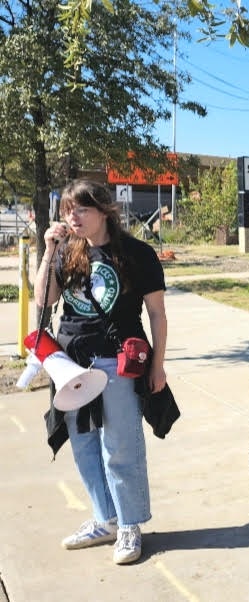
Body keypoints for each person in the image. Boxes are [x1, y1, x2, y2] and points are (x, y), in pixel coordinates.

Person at [35, 179, 168, 565]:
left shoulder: (137, 254)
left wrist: (157, 365)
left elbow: (157, 314)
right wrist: (48, 251)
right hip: (71, 362)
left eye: (81, 209)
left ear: (104, 211)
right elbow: (46, 299)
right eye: (68, 211)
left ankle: (129, 524)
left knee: (120, 446)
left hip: (117, 361)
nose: (73, 217)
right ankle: (104, 519)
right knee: (84, 445)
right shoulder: (66, 251)